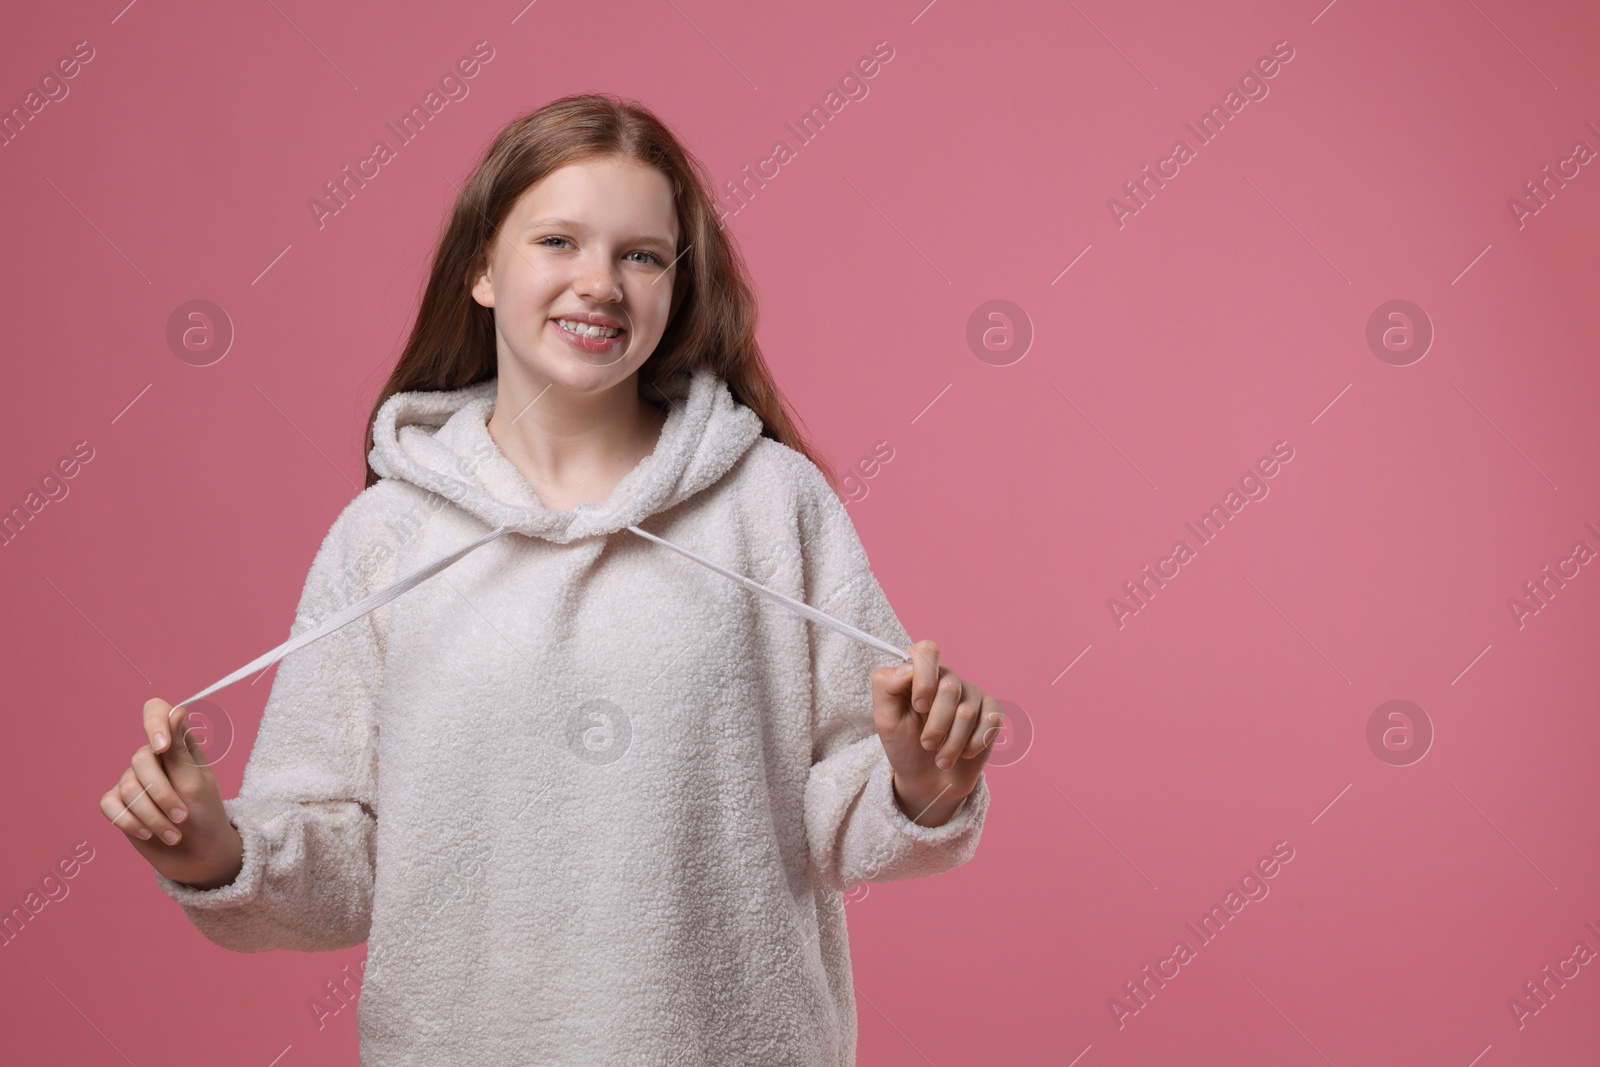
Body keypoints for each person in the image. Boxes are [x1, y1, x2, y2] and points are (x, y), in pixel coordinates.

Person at [99, 92, 1002, 1066]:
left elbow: (845, 811)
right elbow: (343, 859)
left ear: (676, 284)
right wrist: (216, 849)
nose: (599, 283)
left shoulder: (771, 506)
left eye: (640, 254)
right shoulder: (386, 535)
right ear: (483, 266)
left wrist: (920, 781)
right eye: (558, 241)